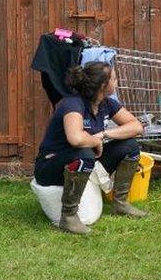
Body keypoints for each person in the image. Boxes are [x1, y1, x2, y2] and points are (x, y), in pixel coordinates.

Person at [32, 61, 147, 235]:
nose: (117, 82)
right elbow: (76, 138)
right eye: (114, 79)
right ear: (103, 85)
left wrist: (103, 135)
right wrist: (95, 142)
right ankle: (68, 217)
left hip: (84, 159)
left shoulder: (107, 103)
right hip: (50, 165)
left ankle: (120, 203)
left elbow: (136, 126)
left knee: (130, 146)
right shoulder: (72, 103)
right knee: (84, 153)